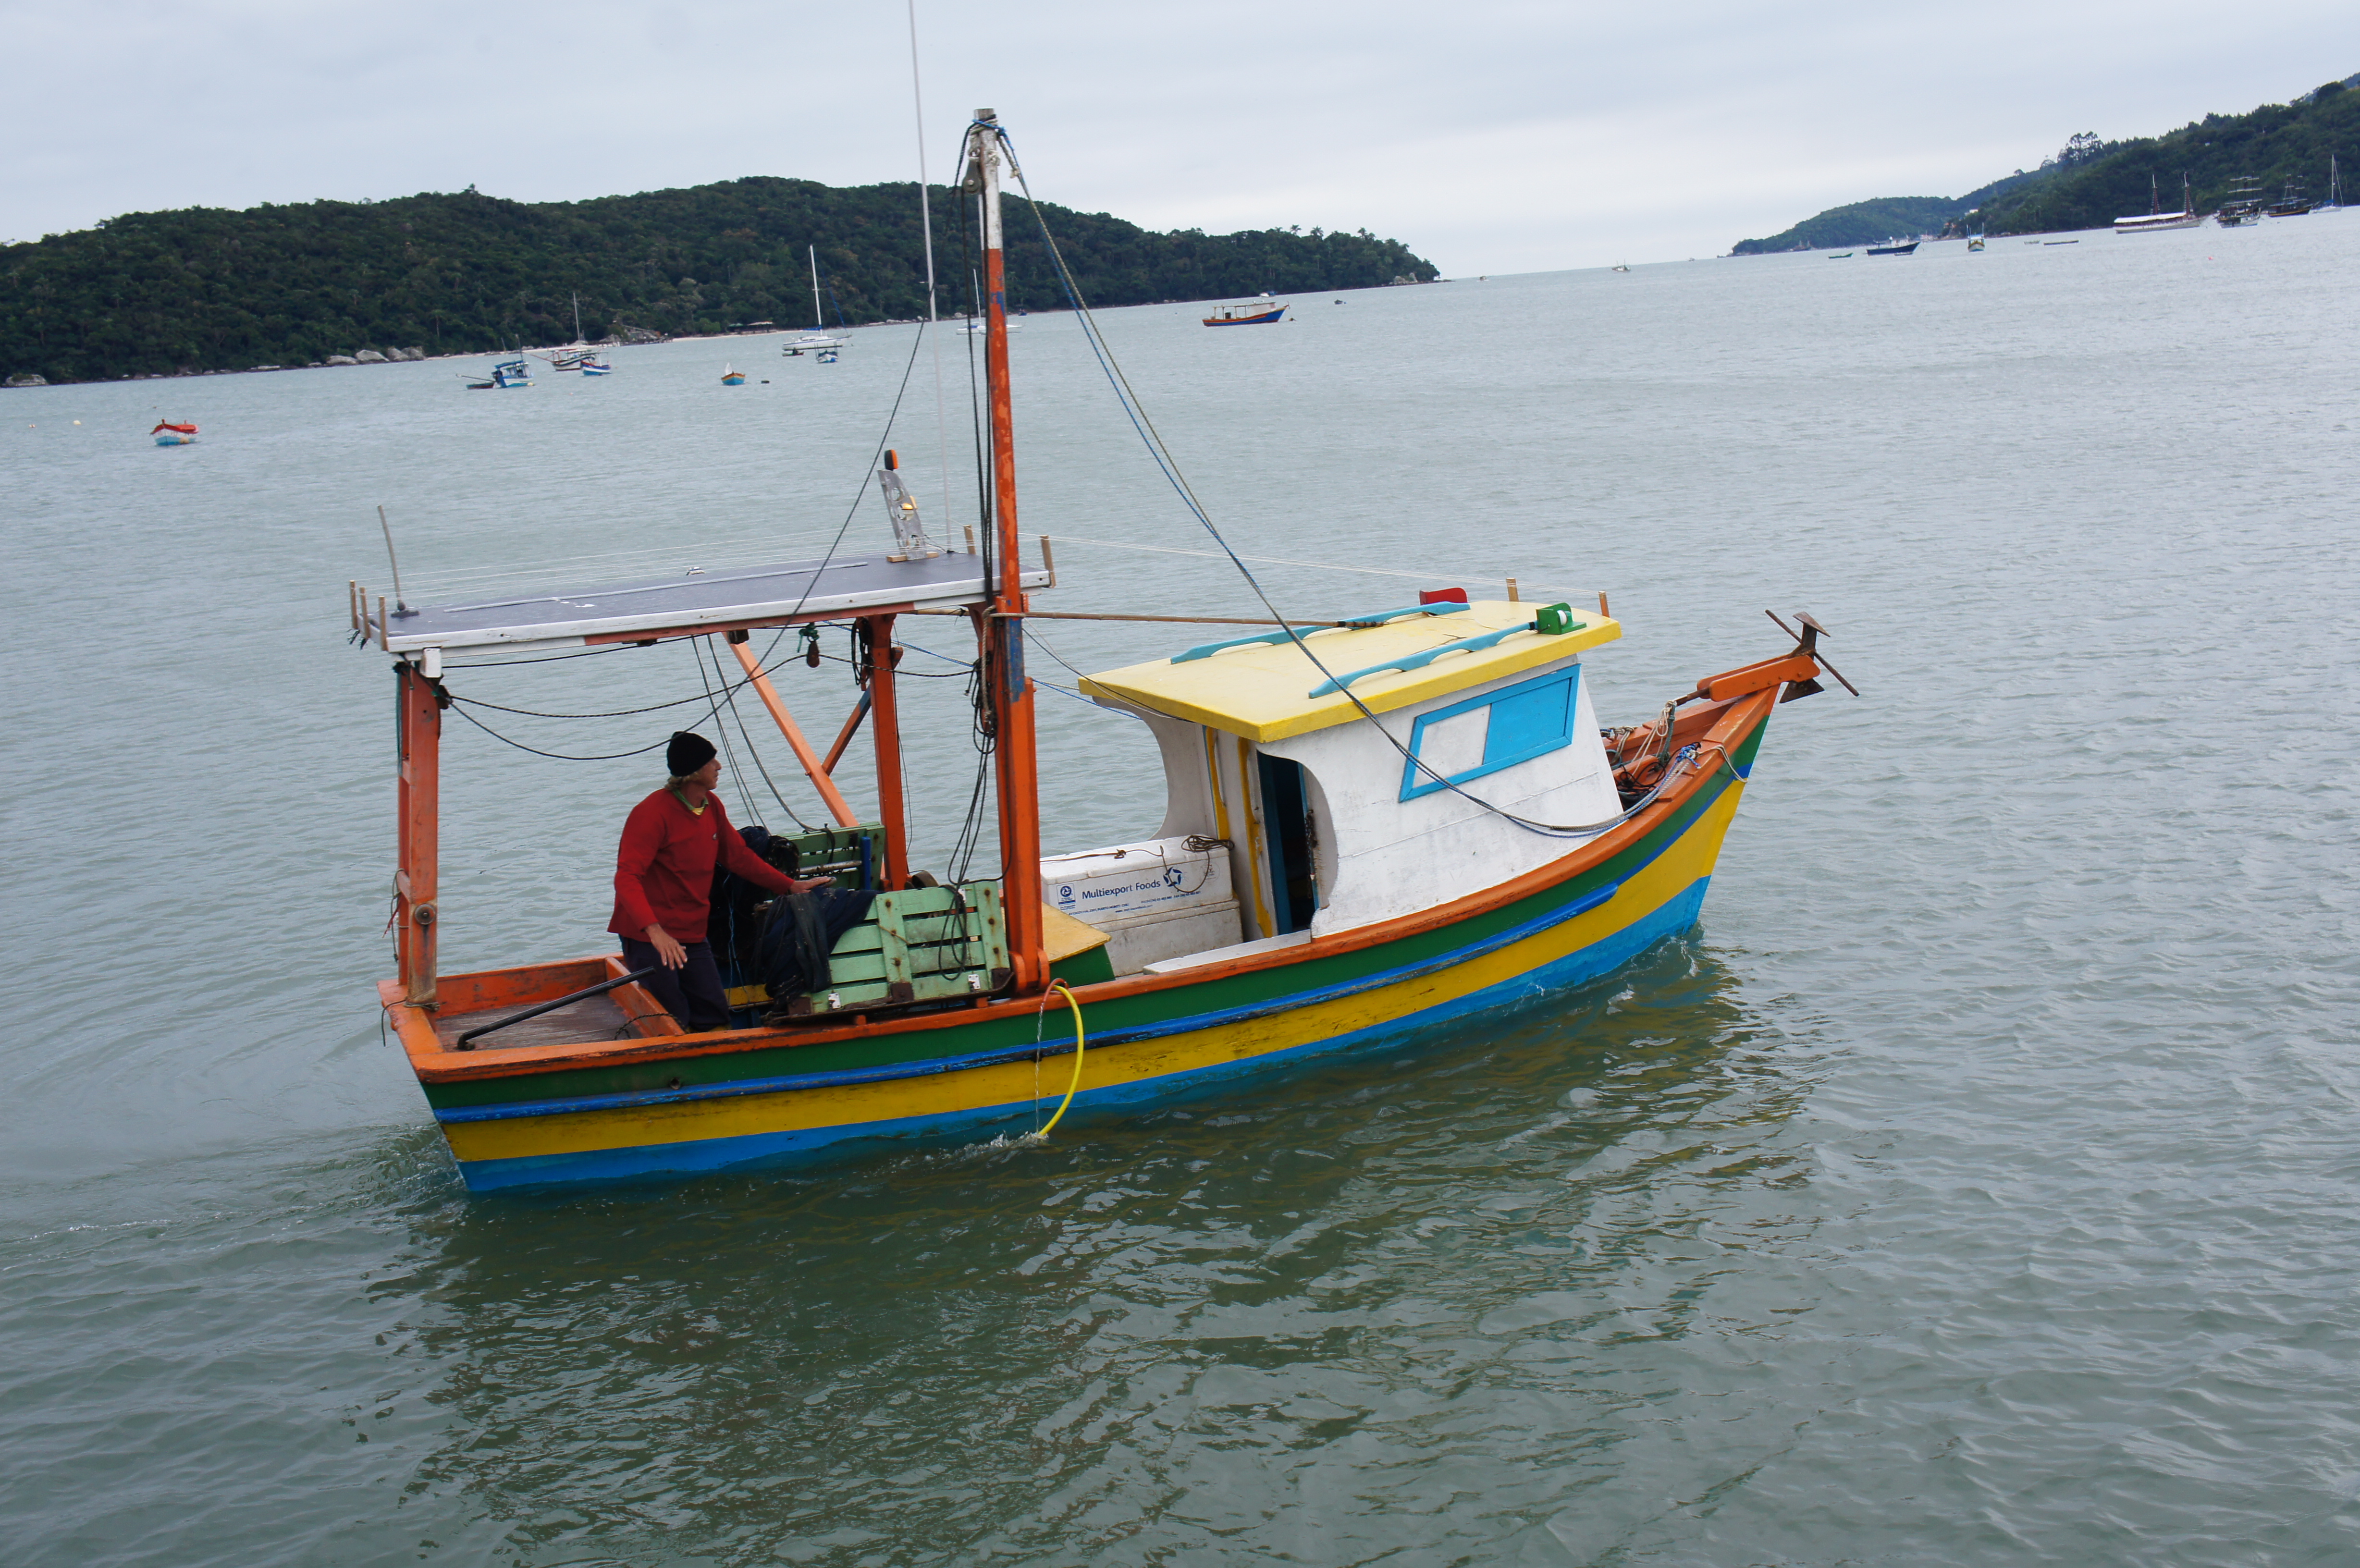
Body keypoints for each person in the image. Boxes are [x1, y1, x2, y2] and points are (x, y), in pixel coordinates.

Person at [608, 731, 830, 1031]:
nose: (719, 766)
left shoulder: (711, 805)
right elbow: (627, 877)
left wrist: (789, 886)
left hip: (692, 932)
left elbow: (738, 857)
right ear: (694, 771)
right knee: (670, 1016)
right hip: (650, 936)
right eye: (711, 760)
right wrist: (656, 931)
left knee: (714, 1012)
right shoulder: (650, 814)